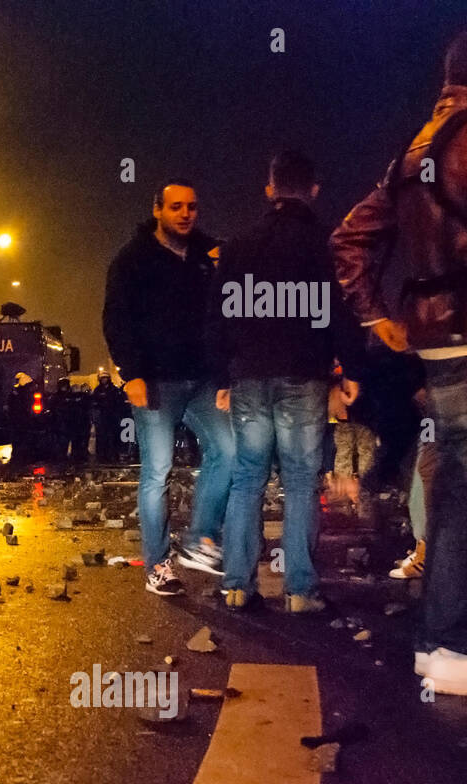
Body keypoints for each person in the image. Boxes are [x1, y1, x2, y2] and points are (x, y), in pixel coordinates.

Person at [330, 27, 467, 694]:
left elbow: (349, 239)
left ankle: (440, 643)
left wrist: (378, 316)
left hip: (438, 341)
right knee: (466, 489)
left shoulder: (415, 151)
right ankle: (454, 644)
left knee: (457, 486)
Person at [208, 149, 367, 613]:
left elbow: (216, 317)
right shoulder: (324, 244)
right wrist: (351, 370)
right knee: (300, 481)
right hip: (304, 373)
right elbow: (339, 311)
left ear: (269, 189)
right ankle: (300, 590)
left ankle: (237, 586)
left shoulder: (237, 246)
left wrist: (223, 375)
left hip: (249, 376)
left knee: (247, 479)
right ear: (313, 190)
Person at [102, 179, 235, 595]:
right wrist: (132, 373)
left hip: (202, 379)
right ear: (157, 209)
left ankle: (200, 539)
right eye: (176, 206)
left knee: (229, 451)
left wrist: (225, 375)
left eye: (191, 206)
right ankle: (158, 565)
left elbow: (222, 315)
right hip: (156, 381)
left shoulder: (208, 255)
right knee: (158, 471)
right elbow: (116, 319)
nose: (185, 214)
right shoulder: (132, 259)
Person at [92, 371, 130, 464]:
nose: (104, 380)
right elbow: (94, 403)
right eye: (102, 378)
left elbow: (119, 402)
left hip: (113, 416)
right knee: (102, 437)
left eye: (105, 378)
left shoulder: (114, 390)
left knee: (114, 436)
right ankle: (102, 456)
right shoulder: (97, 390)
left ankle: (114, 454)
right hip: (102, 417)